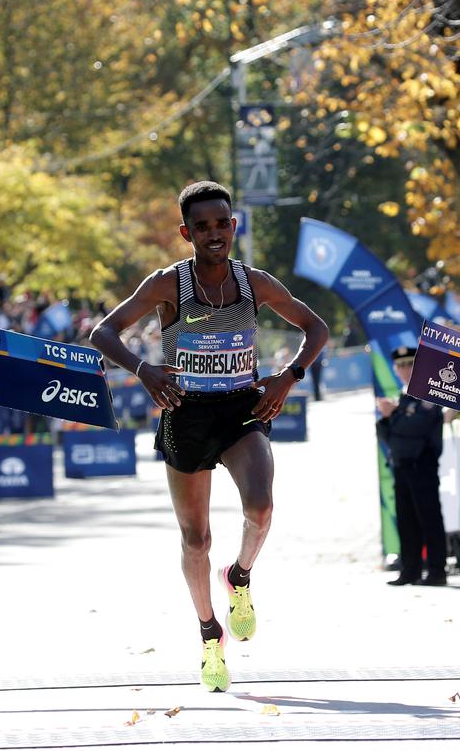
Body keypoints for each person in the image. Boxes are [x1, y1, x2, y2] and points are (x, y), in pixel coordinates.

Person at [89, 181, 328, 692]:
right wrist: (143, 370)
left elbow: (316, 328)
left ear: (233, 225)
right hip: (186, 413)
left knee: (261, 508)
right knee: (196, 539)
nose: (214, 233)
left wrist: (289, 376)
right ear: (186, 233)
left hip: (242, 408)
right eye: (202, 227)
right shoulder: (167, 284)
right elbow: (103, 333)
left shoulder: (255, 283)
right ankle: (208, 634)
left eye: (222, 223)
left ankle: (239, 577)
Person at [376, 346, 446, 586]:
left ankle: (437, 571)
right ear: (395, 369)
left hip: (421, 463)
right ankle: (410, 570)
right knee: (406, 520)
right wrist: (389, 417)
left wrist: (393, 414)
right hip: (402, 464)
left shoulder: (427, 393)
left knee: (429, 518)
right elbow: (386, 433)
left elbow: (416, 427)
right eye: (401, 365)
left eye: (410, 364)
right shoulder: (403, 396)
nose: (406, 369)